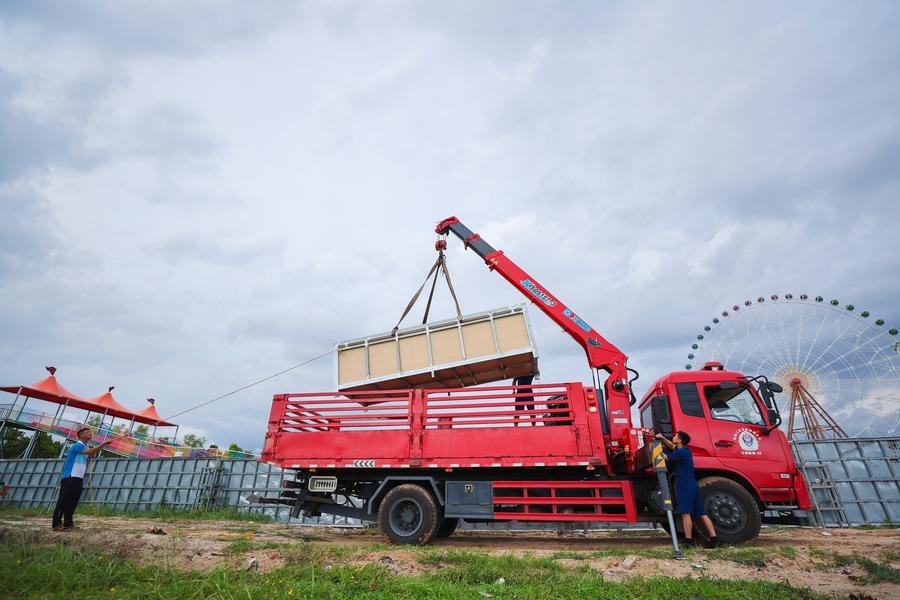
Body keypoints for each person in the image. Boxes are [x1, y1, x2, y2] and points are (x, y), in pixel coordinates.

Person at [655, 430, 721, 548]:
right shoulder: (685, 451)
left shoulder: (680, 453)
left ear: (680, 440)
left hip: (684, 486)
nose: (673, 437)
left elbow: (665, 457)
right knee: (701, 513)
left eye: (675, 436)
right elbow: (672, 445)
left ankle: (688, 540)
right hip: (692, 485)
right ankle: (714, 539)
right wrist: (662, 438)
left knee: (686, 513)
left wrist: (654, 447)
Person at [52, 427, 112, 531]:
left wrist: (90, 456)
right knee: (63, 501)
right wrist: (104, 444)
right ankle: (56, 524)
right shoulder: (77, 445)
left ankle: (68, 523)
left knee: (73, 501)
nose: (90, 433)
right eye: (87, 432)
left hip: (78, 477)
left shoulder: (85, 446)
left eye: (90, 432)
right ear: (80, 435)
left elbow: (88, 457)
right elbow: (91, 451)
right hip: (69, 476)